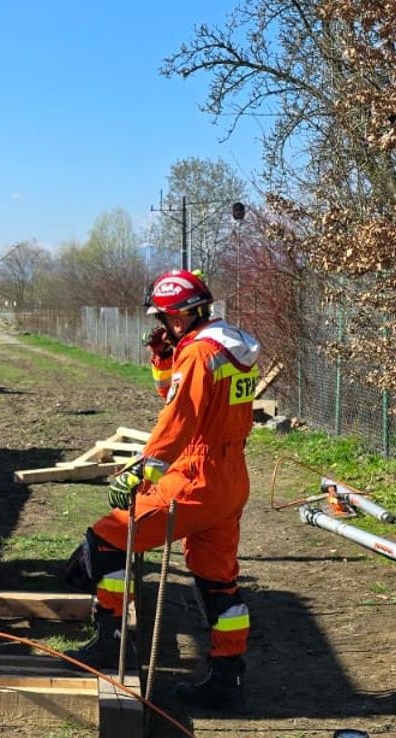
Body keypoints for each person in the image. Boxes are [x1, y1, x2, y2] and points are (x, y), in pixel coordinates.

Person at [74, 268, 261, 710]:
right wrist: (162, 359)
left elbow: (179, 419)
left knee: (106, 539)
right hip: (231, 476)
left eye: (168, 319)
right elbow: (178, 397)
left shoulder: (198, 355)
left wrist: (142, 471)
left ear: (185, 313)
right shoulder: (230, 346)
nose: (165, 326)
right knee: (218, 582)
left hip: (195, 474)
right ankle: (227, 677)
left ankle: (110, 639)